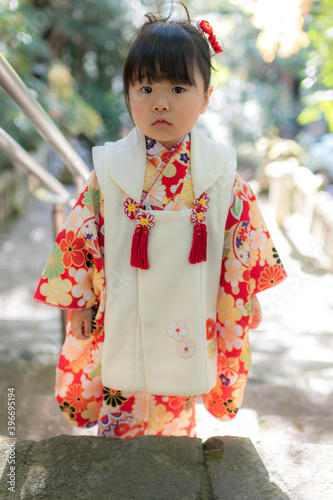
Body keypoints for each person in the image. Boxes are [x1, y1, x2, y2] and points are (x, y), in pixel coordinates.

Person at [33, 1, 287, 439]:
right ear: (129, 94)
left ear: (206, 97)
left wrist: (243, 298)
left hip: (191, 308)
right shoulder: (109, 169)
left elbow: (242, 246)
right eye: (145, 89)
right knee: (122, 396)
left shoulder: (221, 174)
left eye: (178, 89)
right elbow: (81, 237)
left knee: (176, 402)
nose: (161, 103)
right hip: (123, 307)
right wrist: (79, 300)